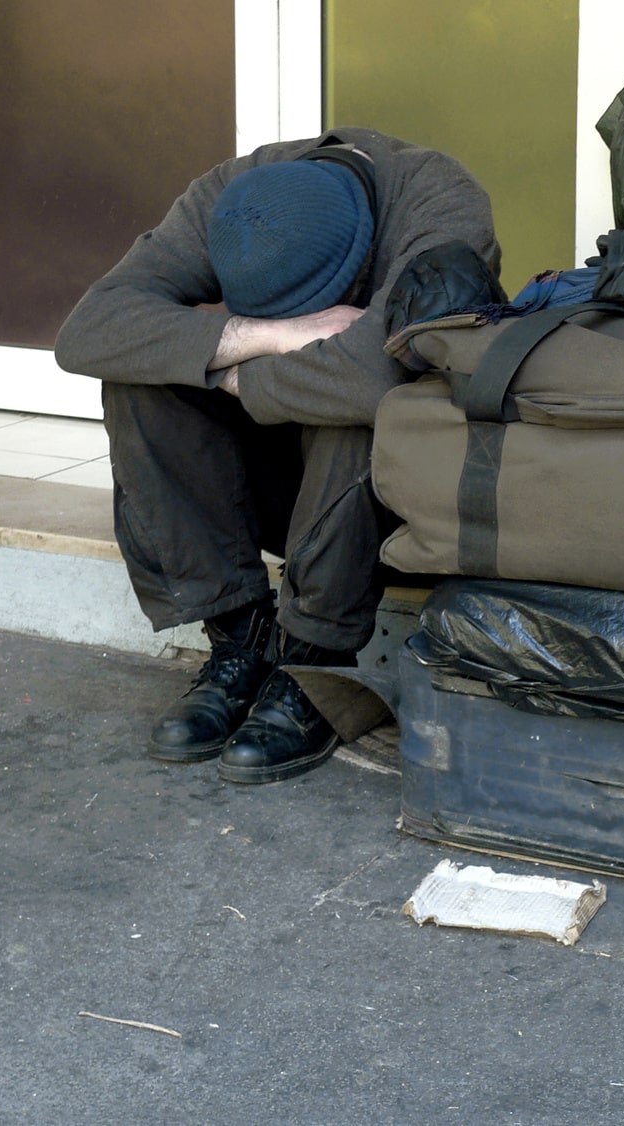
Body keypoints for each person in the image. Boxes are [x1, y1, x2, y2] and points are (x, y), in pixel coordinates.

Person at [54, 127, 499, 785]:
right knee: (137, 382)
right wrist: (271, 335)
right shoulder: (233, 198)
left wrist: (221, 367)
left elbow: (376, 375)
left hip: (389, 497)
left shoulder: (441, 206)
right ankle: (241, 639)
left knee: (364, 405)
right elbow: (88, 332)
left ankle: (313, 663)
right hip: (279, 478)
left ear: (361, 261)